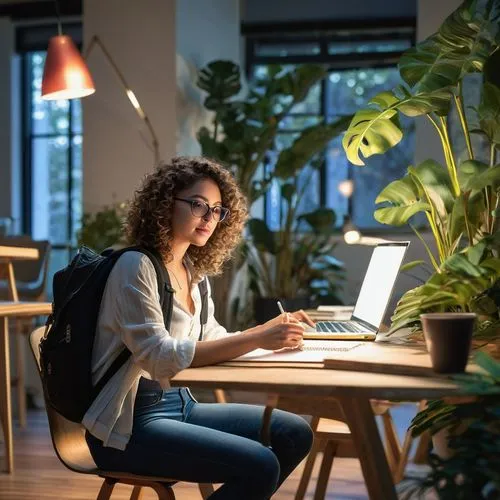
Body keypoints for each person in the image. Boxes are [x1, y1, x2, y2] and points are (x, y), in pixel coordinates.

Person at [83, 156, 315, 499]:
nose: (210, 218)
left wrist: (269, 334)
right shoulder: (135, 266)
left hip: (182, 405)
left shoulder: (193, 272)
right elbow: (158, 358)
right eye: (198, 205)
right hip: (129, 425)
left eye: (218, 209)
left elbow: (211, 338)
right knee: (261, 465)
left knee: (295, 432)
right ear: (164, 205)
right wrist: (257, 338)